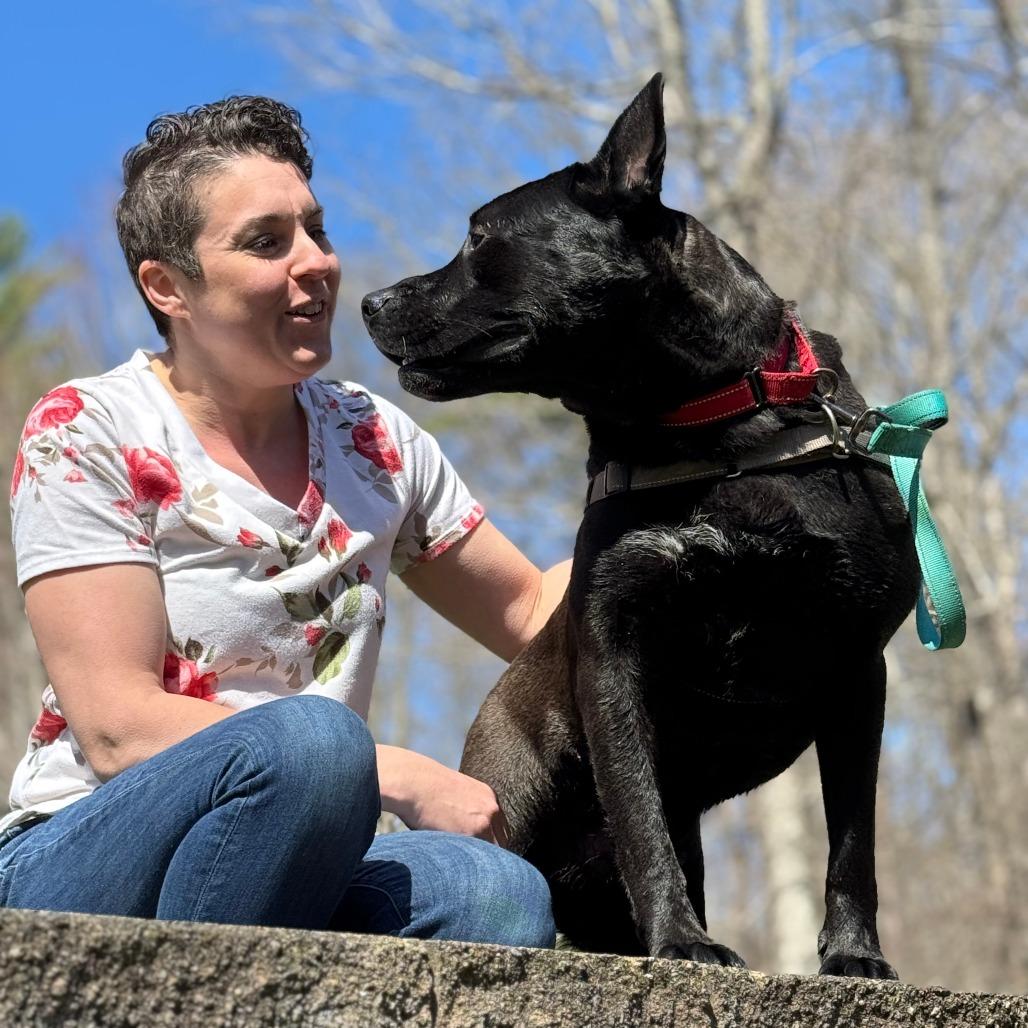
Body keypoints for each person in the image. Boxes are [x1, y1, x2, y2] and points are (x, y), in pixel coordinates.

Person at [0, 97, 567, 946]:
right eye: (267, 242)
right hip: (78, 859)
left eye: (317, 229)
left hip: (306, 855)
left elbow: (530, 615)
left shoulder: (370, 438)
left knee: (494, 892)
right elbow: (117, 725)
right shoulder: (89, 429)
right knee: (316, 745)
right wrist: (392, 771)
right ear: (167, 286)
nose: (318, 263)